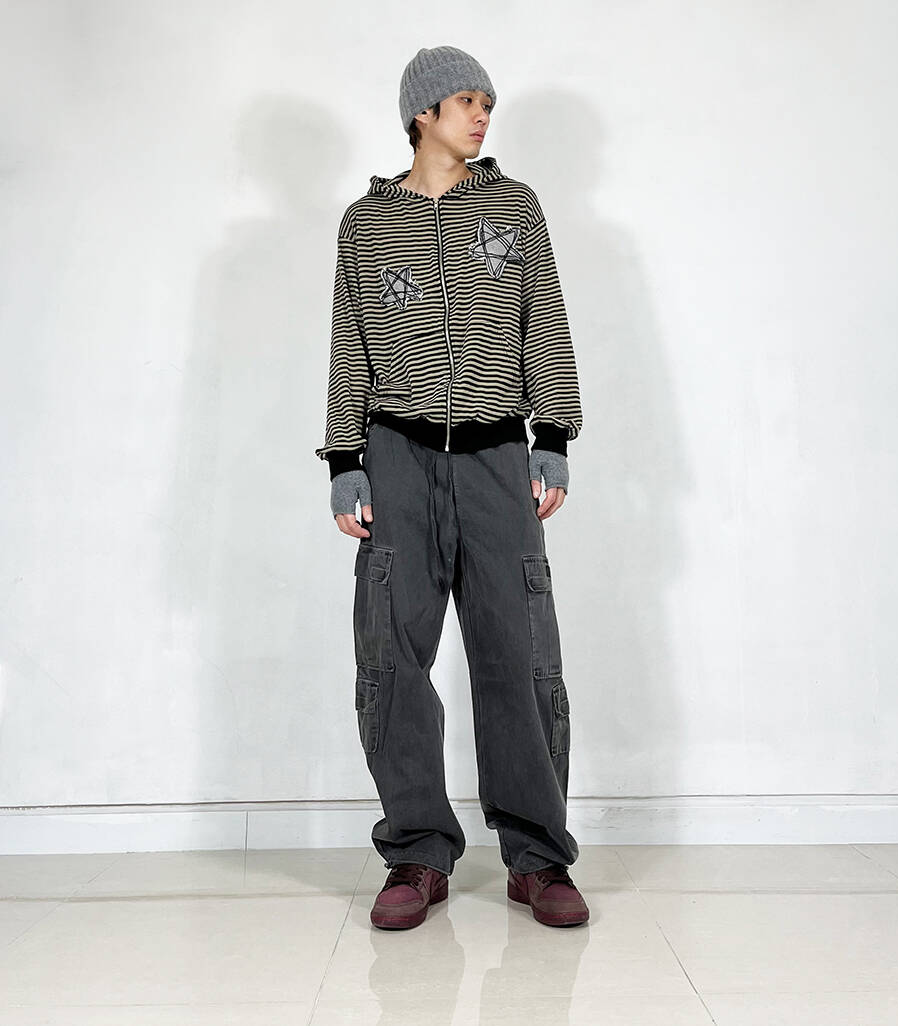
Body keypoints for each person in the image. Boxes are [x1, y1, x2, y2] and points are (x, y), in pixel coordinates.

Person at [315, 45, 588, 930]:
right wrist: (345, 461)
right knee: (392, 657)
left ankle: (538, 857)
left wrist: (552, 437)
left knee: (520, 652)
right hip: (395, 457)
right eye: (466, 101)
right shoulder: (366, 223)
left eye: (486, 102)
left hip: (497, 459)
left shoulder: (515, 207)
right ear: (422, 114)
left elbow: (544, 319)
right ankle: (417, 853)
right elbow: (350, 344)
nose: (481, 115)